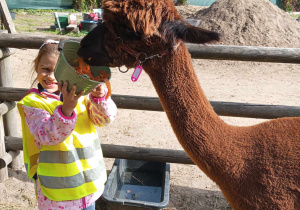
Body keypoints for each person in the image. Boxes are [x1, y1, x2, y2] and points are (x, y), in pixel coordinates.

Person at [17, 39, 117, 210]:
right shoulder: (32, 103)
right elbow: (48, 136)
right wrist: (66, 110)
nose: (51, 76)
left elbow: (104, 120)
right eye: (45, 69)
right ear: (36, 68)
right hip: (58, 193)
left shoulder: (83, 95)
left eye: (58, 71)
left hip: (87, 187)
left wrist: (99, 98)